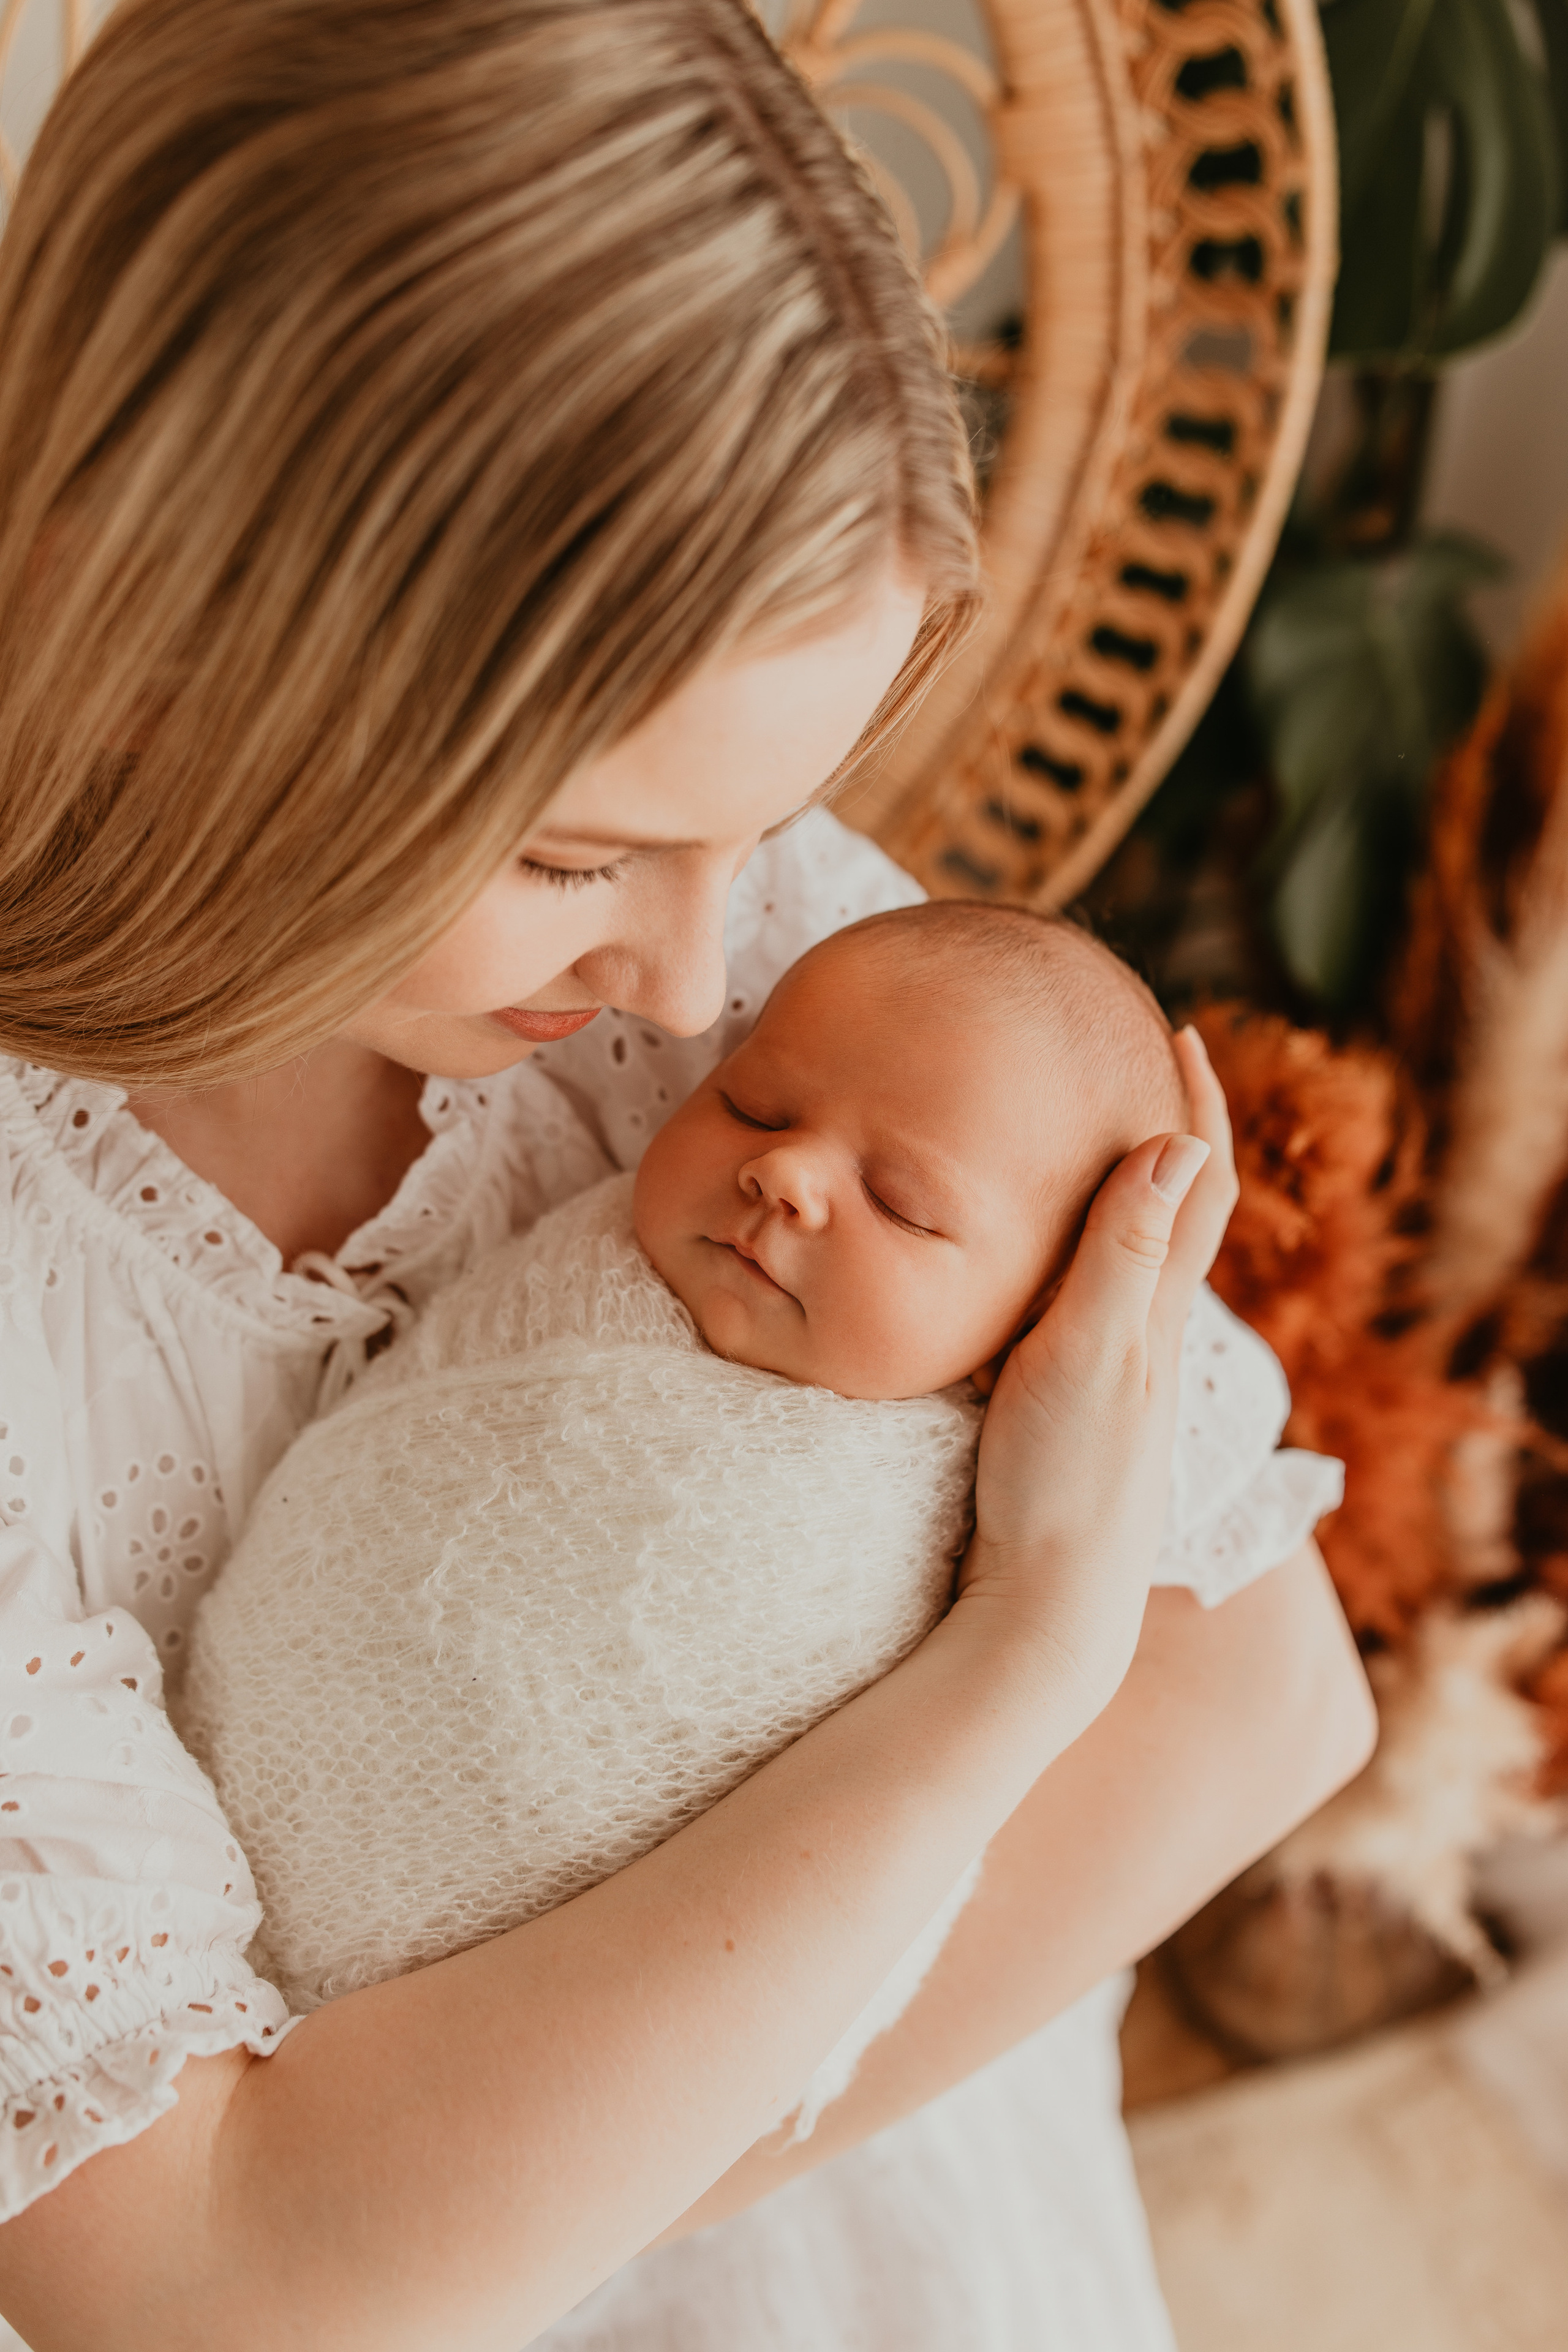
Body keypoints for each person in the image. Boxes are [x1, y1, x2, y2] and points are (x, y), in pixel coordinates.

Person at [0, 3, 1376, 2346]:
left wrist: (504, 2196)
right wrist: (1018, 1664)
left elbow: (1261, 1697)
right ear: (190, 666)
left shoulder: (730, 982)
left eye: (768, 828)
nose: (702, 972)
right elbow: (203, 2282)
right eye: (577, 854)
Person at [176, 903, 1345, 2078]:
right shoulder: (589, 1272)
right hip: (213, 1838)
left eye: (902, 1204)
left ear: (1035, 1326)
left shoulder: (930, 1499)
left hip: (541, 2029)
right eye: (753, 1104)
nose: (781, 1170)